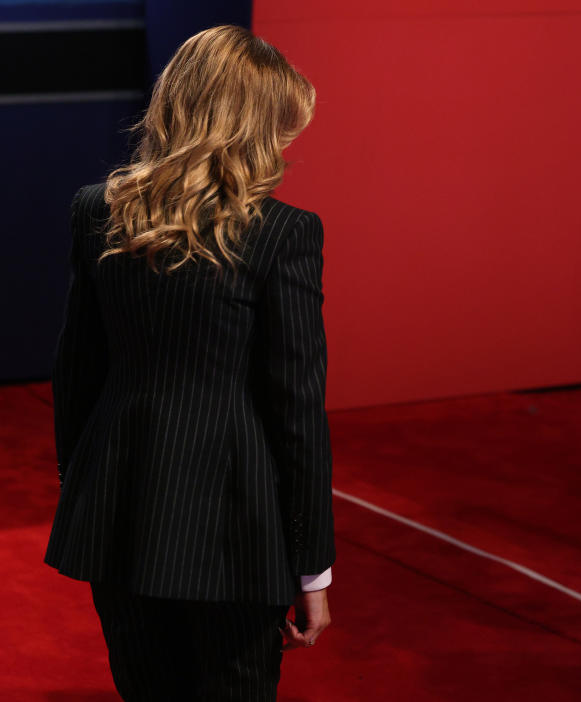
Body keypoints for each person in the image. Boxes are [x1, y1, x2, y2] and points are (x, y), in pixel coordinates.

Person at [44, 25, 334, 701]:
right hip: (237, 527)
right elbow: (296, 414)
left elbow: (75, 372)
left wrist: (82, 489)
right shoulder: (285, 233)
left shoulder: (99, 212)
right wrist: (312, 570)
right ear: (252, 126)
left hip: (116, 509)